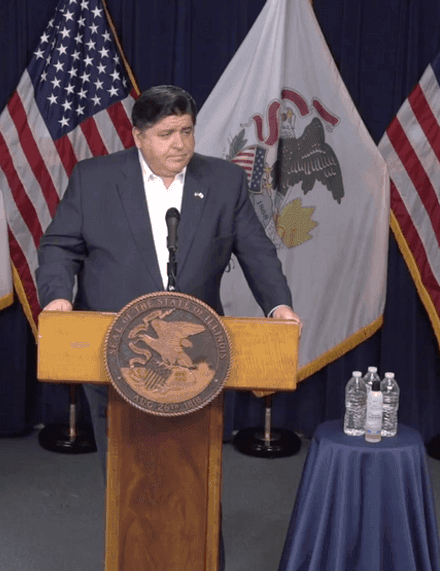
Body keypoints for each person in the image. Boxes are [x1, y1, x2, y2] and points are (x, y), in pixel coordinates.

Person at [35, 85, 302, 569]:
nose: (179, 143)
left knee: (196, 474)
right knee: (126, 477)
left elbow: (257, 252)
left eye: (186, 131)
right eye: (165, 134)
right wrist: (57, 298)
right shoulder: (94, 179)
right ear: (138, 136)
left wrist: (278, 307)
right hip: (115, 355)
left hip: (197, 360)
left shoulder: (223, 181)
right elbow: (60, 246)